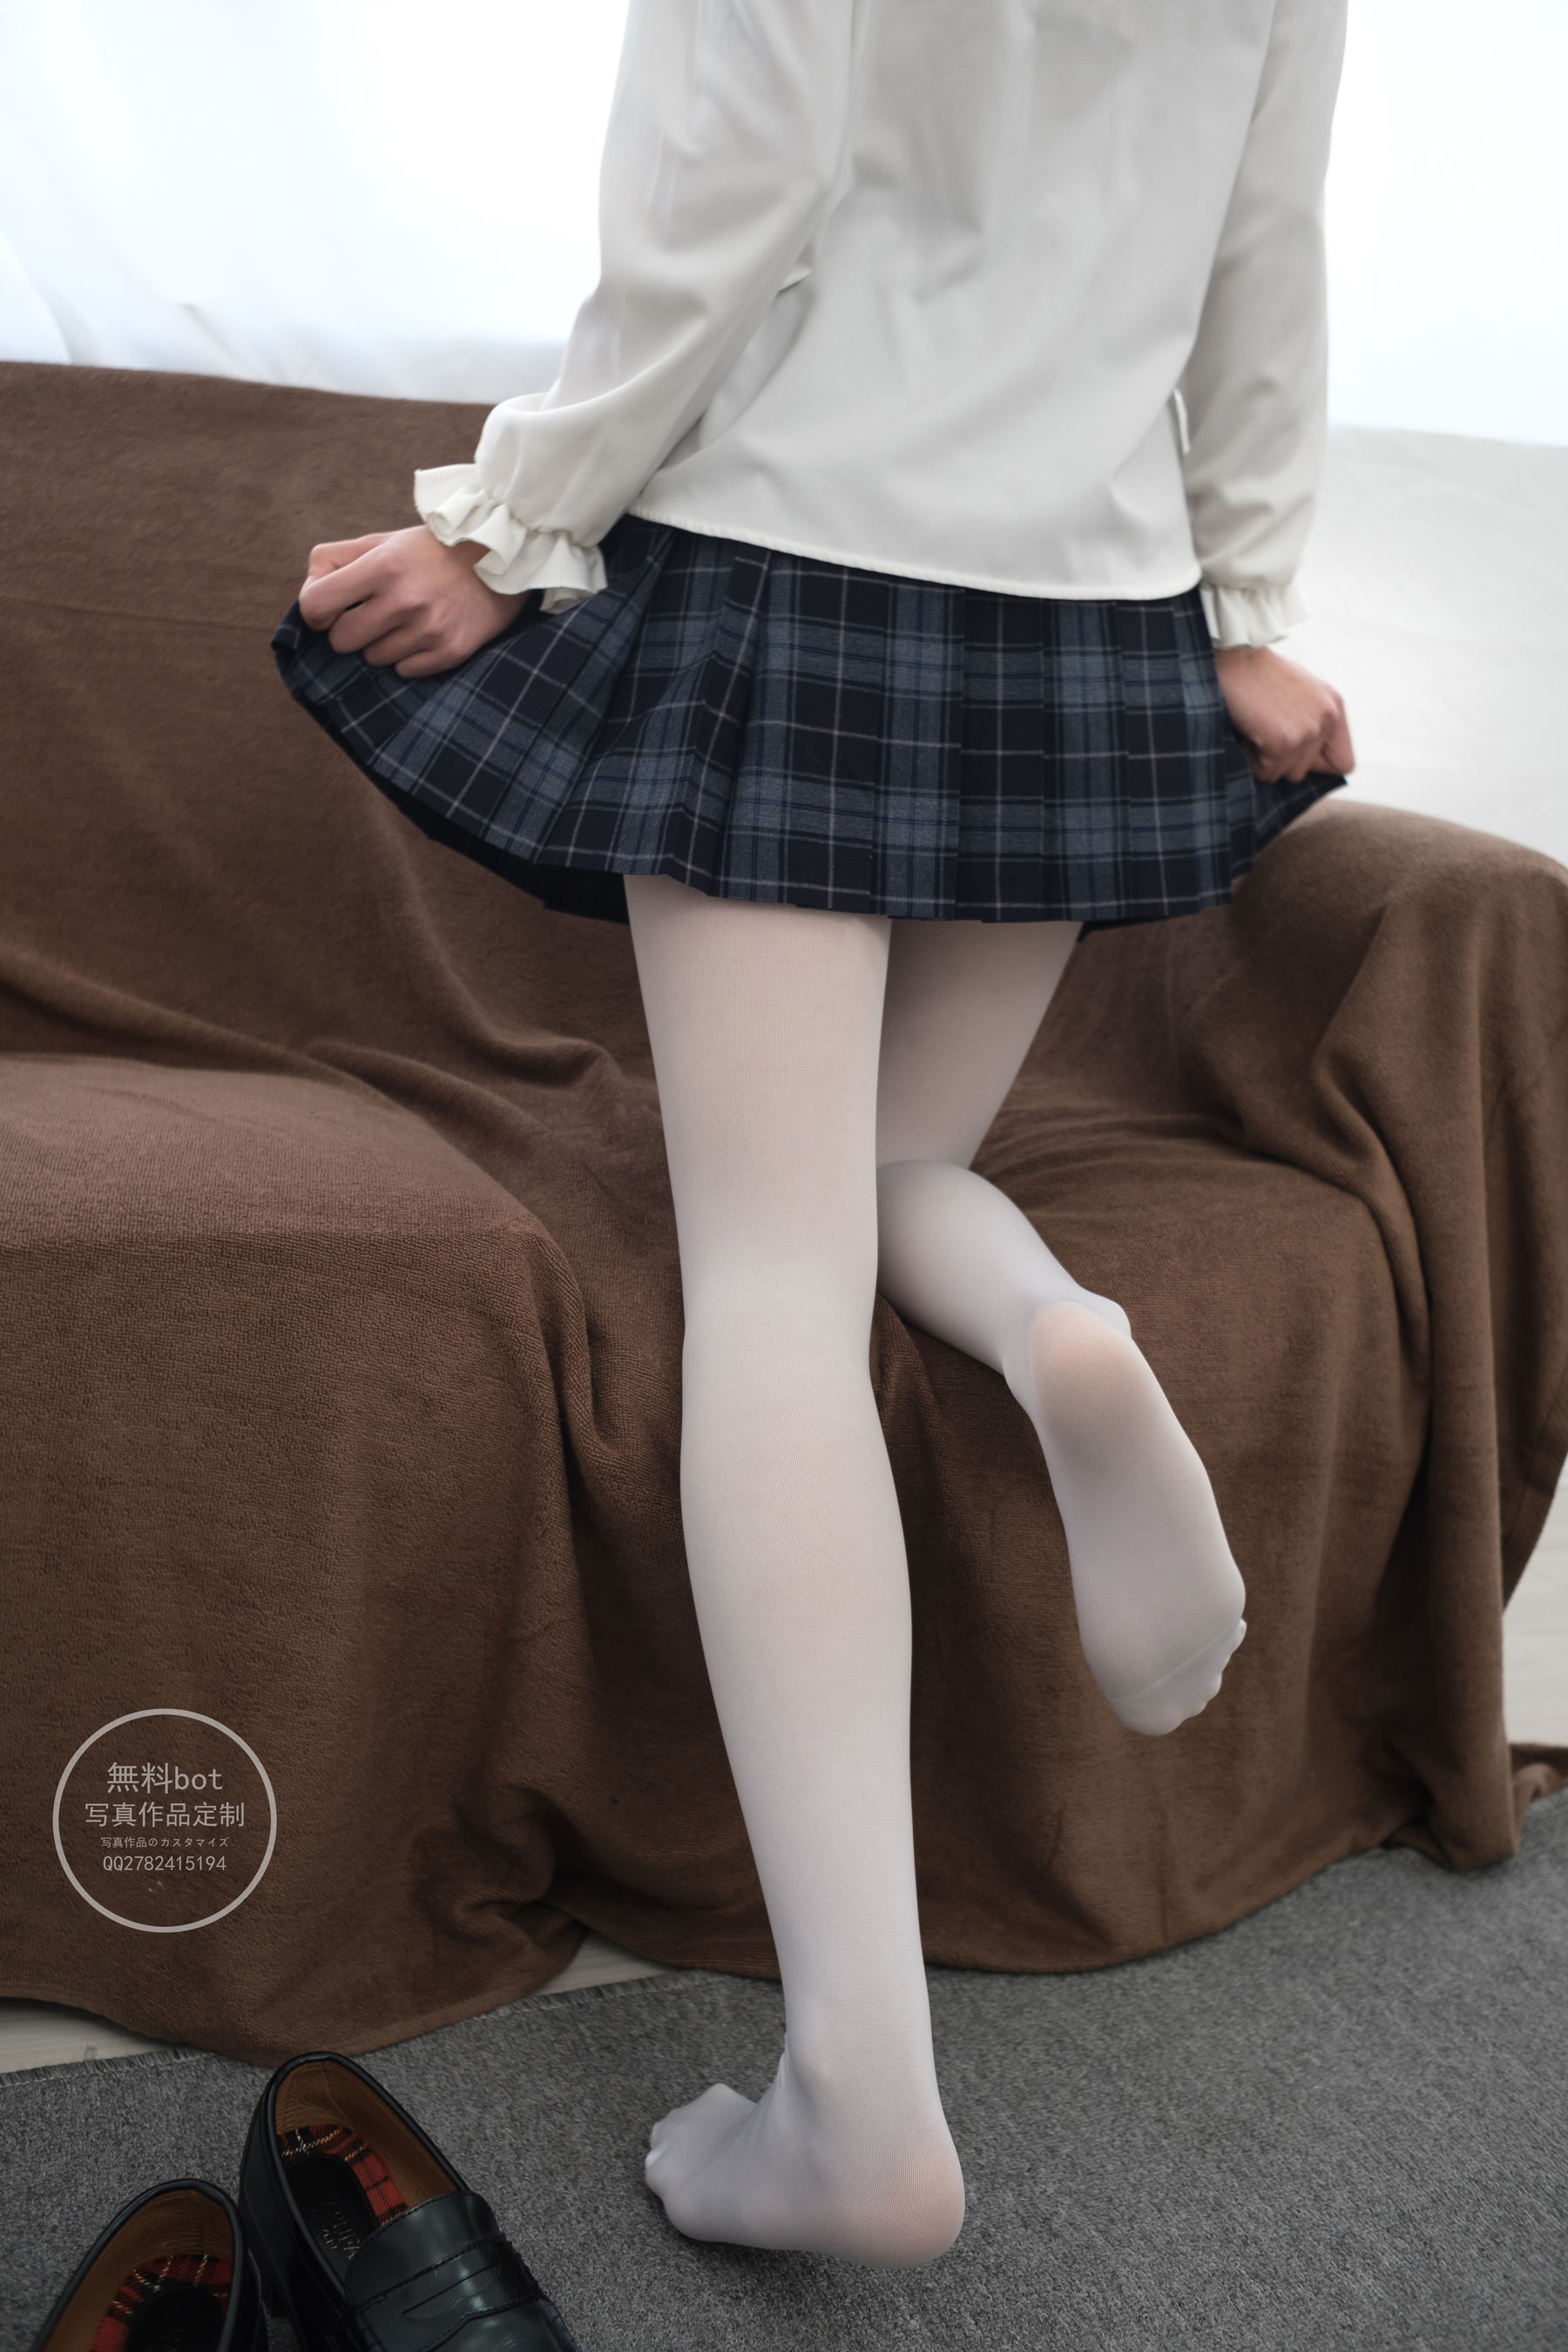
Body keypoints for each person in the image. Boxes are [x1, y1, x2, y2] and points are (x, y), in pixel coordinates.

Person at [278, 0, 1355, 2269]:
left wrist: (518, 517)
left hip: (791, 551)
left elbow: (733, 176)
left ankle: (861, 2094)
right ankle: (1054, 1328)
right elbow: (1266, 247)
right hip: (1094, 602)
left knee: (769, 1276)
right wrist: (1251, 604)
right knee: (875, 1187)